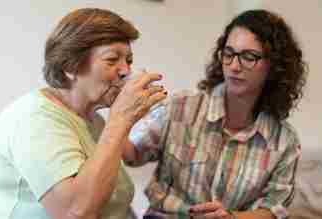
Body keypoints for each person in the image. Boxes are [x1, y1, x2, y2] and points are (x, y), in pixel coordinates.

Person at [0, 8, 167, 219]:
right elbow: (74, 212)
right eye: (112, 60)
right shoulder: (36, 119)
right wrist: (120, 120)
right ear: (69, 66)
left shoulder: (94, 120)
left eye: (128, 60)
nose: (125, 70)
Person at [123, 9, 307, 219]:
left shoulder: (284, 140)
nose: (235, 66)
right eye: (228, 54)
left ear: (274, 65)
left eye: (249, 57)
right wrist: (120, 116)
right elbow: (132, 156)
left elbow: (274, 209)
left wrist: (232, 217)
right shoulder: (180, 107)